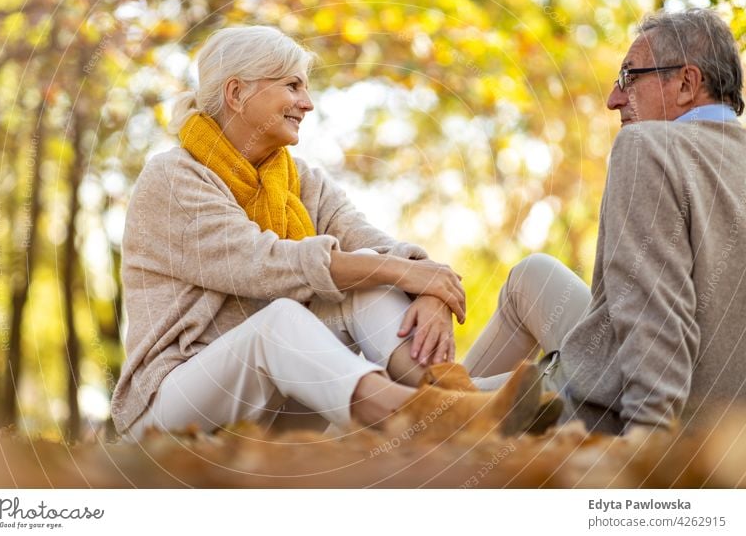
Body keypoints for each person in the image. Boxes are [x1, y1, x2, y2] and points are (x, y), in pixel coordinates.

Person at [110, 26, 555, 442]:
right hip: (169, 405)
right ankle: (423, 415)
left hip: (273, 403)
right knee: (283, 317)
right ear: (237, 93)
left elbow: (373, 244)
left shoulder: (299, 180)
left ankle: (455, 400)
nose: (308, 103)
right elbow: (263, 265)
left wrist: (431, 287)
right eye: (292, 85)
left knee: (366, 288)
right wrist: (404, 273)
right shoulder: (173, 179)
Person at [461, 8, 746, 434]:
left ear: (686, 83)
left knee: (414, 408)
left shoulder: (646, 145)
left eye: (630, 77)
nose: (613, 98)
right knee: (532, 274)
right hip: (724, 420)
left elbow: (656, 311)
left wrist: (648, 448)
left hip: (614, 411)